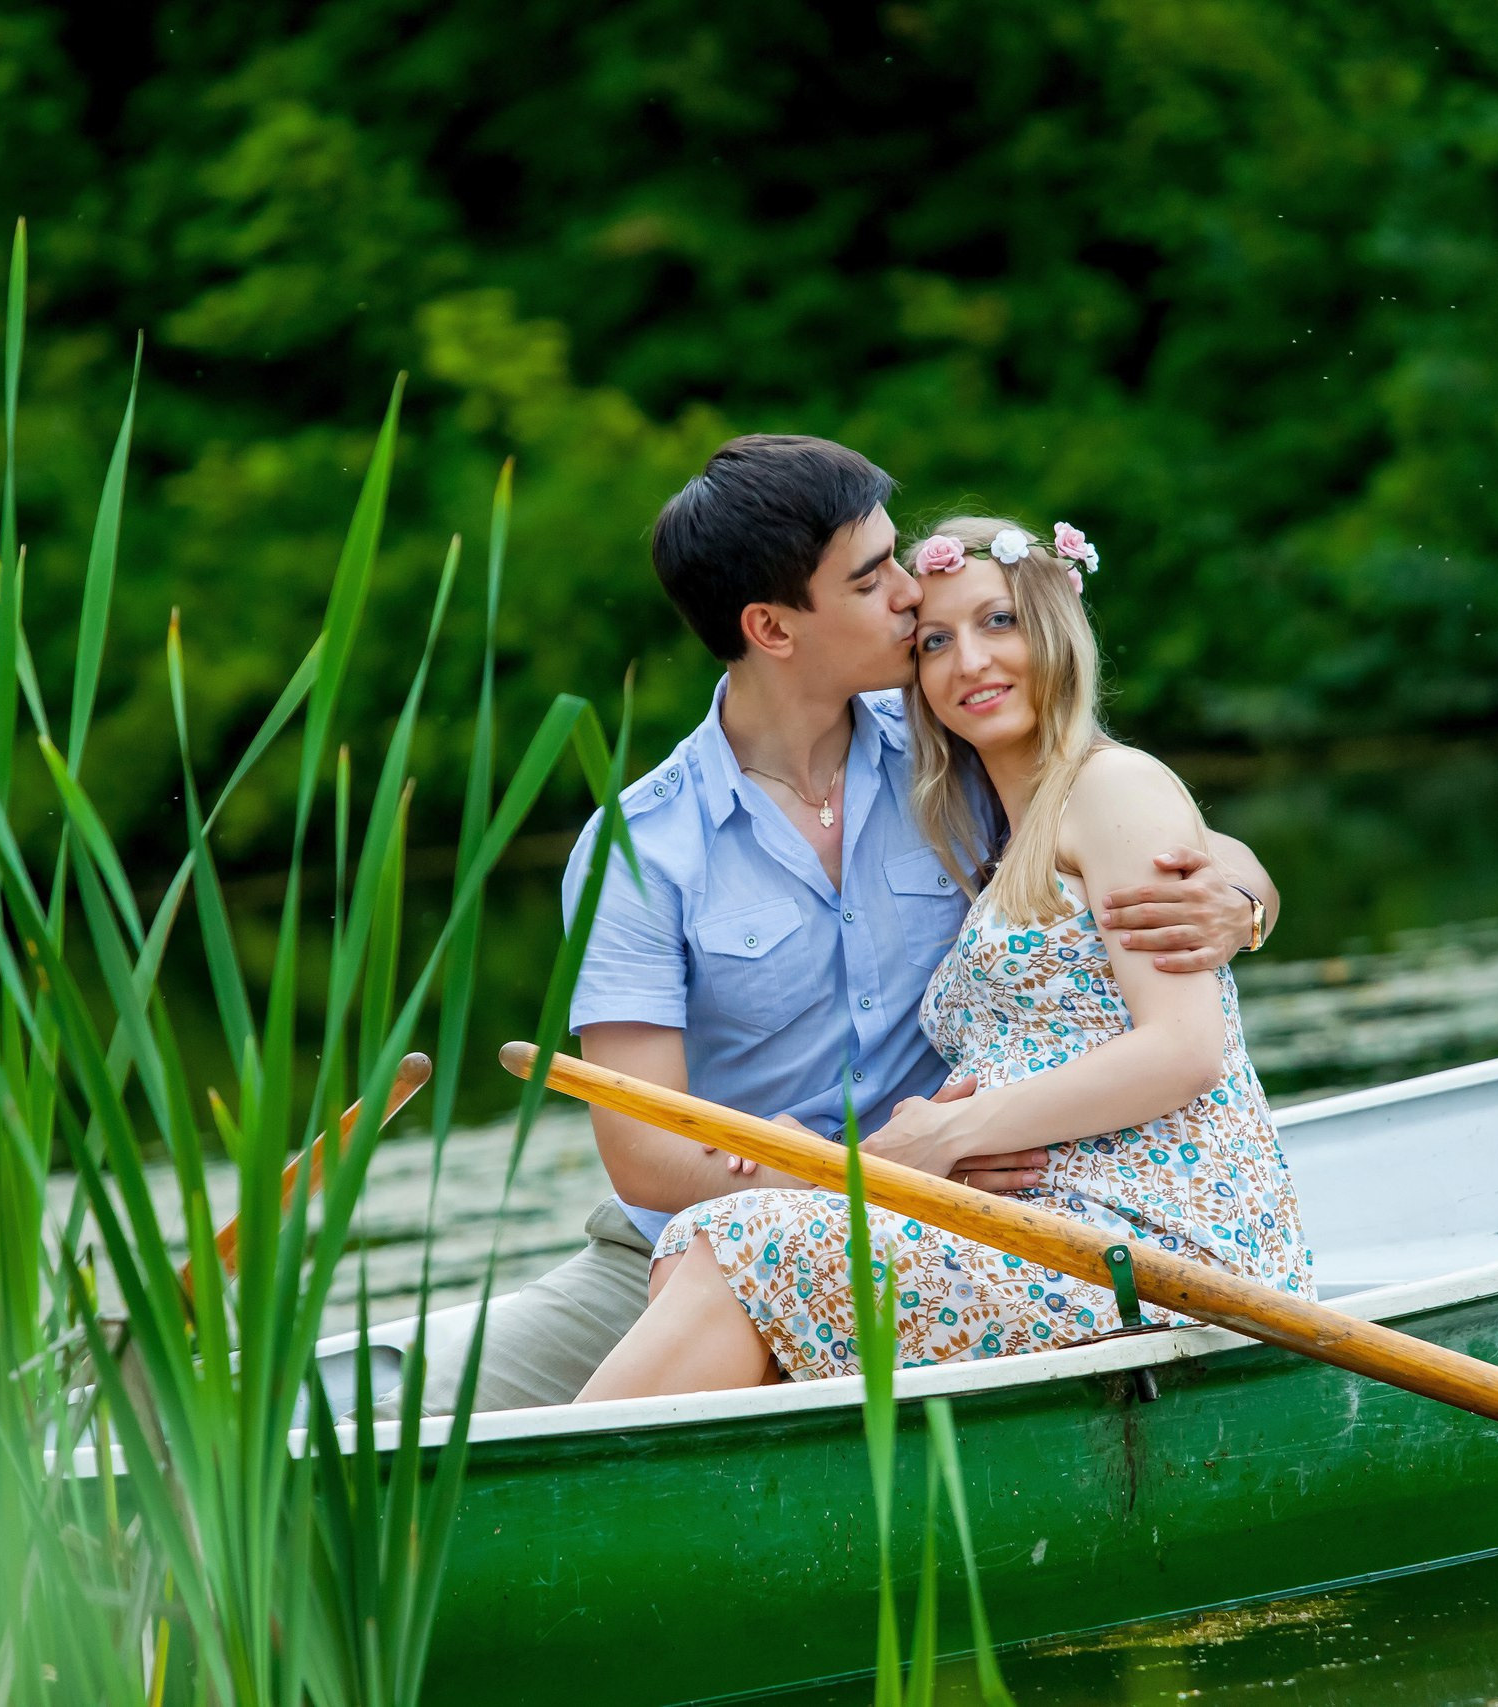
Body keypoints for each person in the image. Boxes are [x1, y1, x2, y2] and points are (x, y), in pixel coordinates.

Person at [408, 437, 1279, 1413]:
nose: (914, 596)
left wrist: (1241, 894)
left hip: (966, 1205)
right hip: (695, 1228)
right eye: (874, 580)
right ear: (773, 628)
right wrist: (856, 1175)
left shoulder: (951, 750)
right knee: (410, 1421)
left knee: (738, 1271)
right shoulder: (641, 849)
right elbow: (645, 1152)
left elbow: (1129, 824)